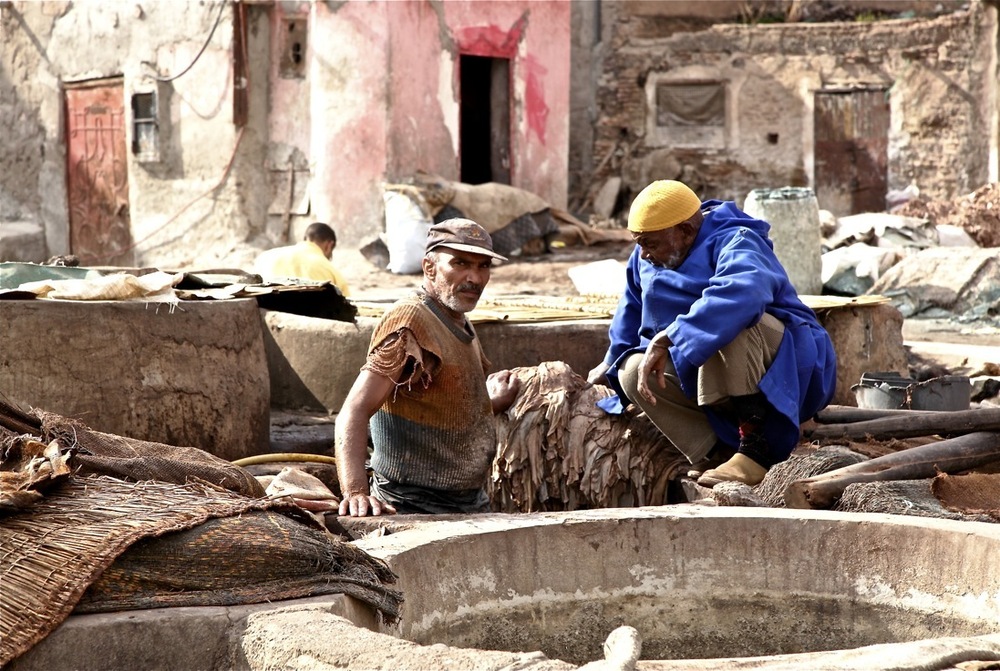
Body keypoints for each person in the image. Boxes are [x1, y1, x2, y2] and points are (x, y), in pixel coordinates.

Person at [588, 180, 837, 487]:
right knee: (632, 371)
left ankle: (756, 449)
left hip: (787, 361)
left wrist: (670, 336)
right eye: (640, 243)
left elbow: (745, 293)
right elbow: (630, 311)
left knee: (734, 323)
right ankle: (717, 451)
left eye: (651, 244)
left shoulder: (736, 238)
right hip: (708, 363)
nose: (644, 253)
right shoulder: (644, 257)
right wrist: (610, 362)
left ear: (685, 231)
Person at [335, 218, 520, 517]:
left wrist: (491, 403)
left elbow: (441, 402)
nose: (474, 277)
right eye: (460, 263)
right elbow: (354, 410)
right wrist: (356, 492)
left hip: (467, 502)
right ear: (429, 267)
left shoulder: (458, 318)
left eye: (483, 266)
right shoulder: (410, 321)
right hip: (412, 504)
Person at [254, 222, 351, 296]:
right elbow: (349, 306)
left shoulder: (265, 257)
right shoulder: (329, 269)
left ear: (306, 238)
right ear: (329, 245)